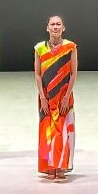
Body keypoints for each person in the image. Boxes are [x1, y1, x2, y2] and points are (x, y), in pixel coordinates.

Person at [34, 14, 78, 180]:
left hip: (64, 96)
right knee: (47, 132)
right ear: (47, 28)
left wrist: (67, 96)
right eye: (52, 24)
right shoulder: (39, 48)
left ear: (63, 27)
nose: (55, 27)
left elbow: (73, 74)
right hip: (46, 97)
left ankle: (61, 166)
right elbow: (38, 75)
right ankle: (49, 167)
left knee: (64, 131)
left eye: (58, 24)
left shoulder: (70, 47)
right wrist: (43, 97)